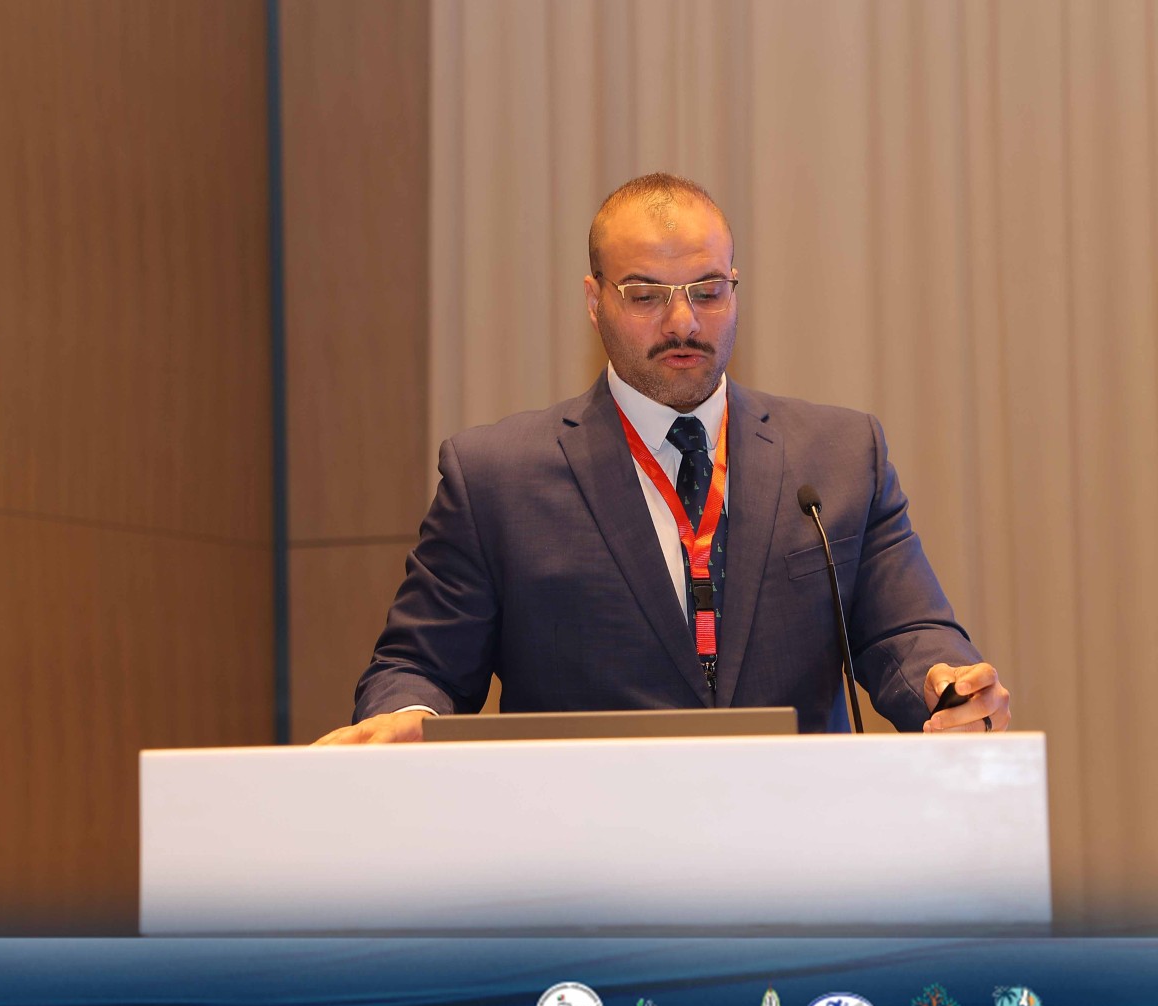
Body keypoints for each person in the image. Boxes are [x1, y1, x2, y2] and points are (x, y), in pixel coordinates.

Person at [316, 174, 1010, 744]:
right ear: (594, 302)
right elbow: (418, 668)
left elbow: (909, 632)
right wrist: (409, 717)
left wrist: (946, 686)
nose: (683, 322)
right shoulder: (496, 479)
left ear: (735, 291)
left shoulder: (839, 456)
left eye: (707, 291)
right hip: (586, 853)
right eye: (645, 295)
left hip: (792, 843)